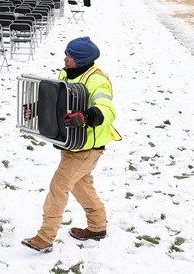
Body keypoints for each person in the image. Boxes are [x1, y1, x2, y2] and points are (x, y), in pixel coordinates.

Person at [22, 36, 122, 253]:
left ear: (83, 59)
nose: (65, 58)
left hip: (87, 147)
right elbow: (58, 102)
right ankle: (97, 227)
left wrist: (85, 116)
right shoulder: (66, 73)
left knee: (58, 187)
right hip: (72, 144)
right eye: (66, 53)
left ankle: (44, 237)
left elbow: (107, 109)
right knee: (81, 186)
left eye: (71, 56)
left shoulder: (97, 80)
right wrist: (35, 108)